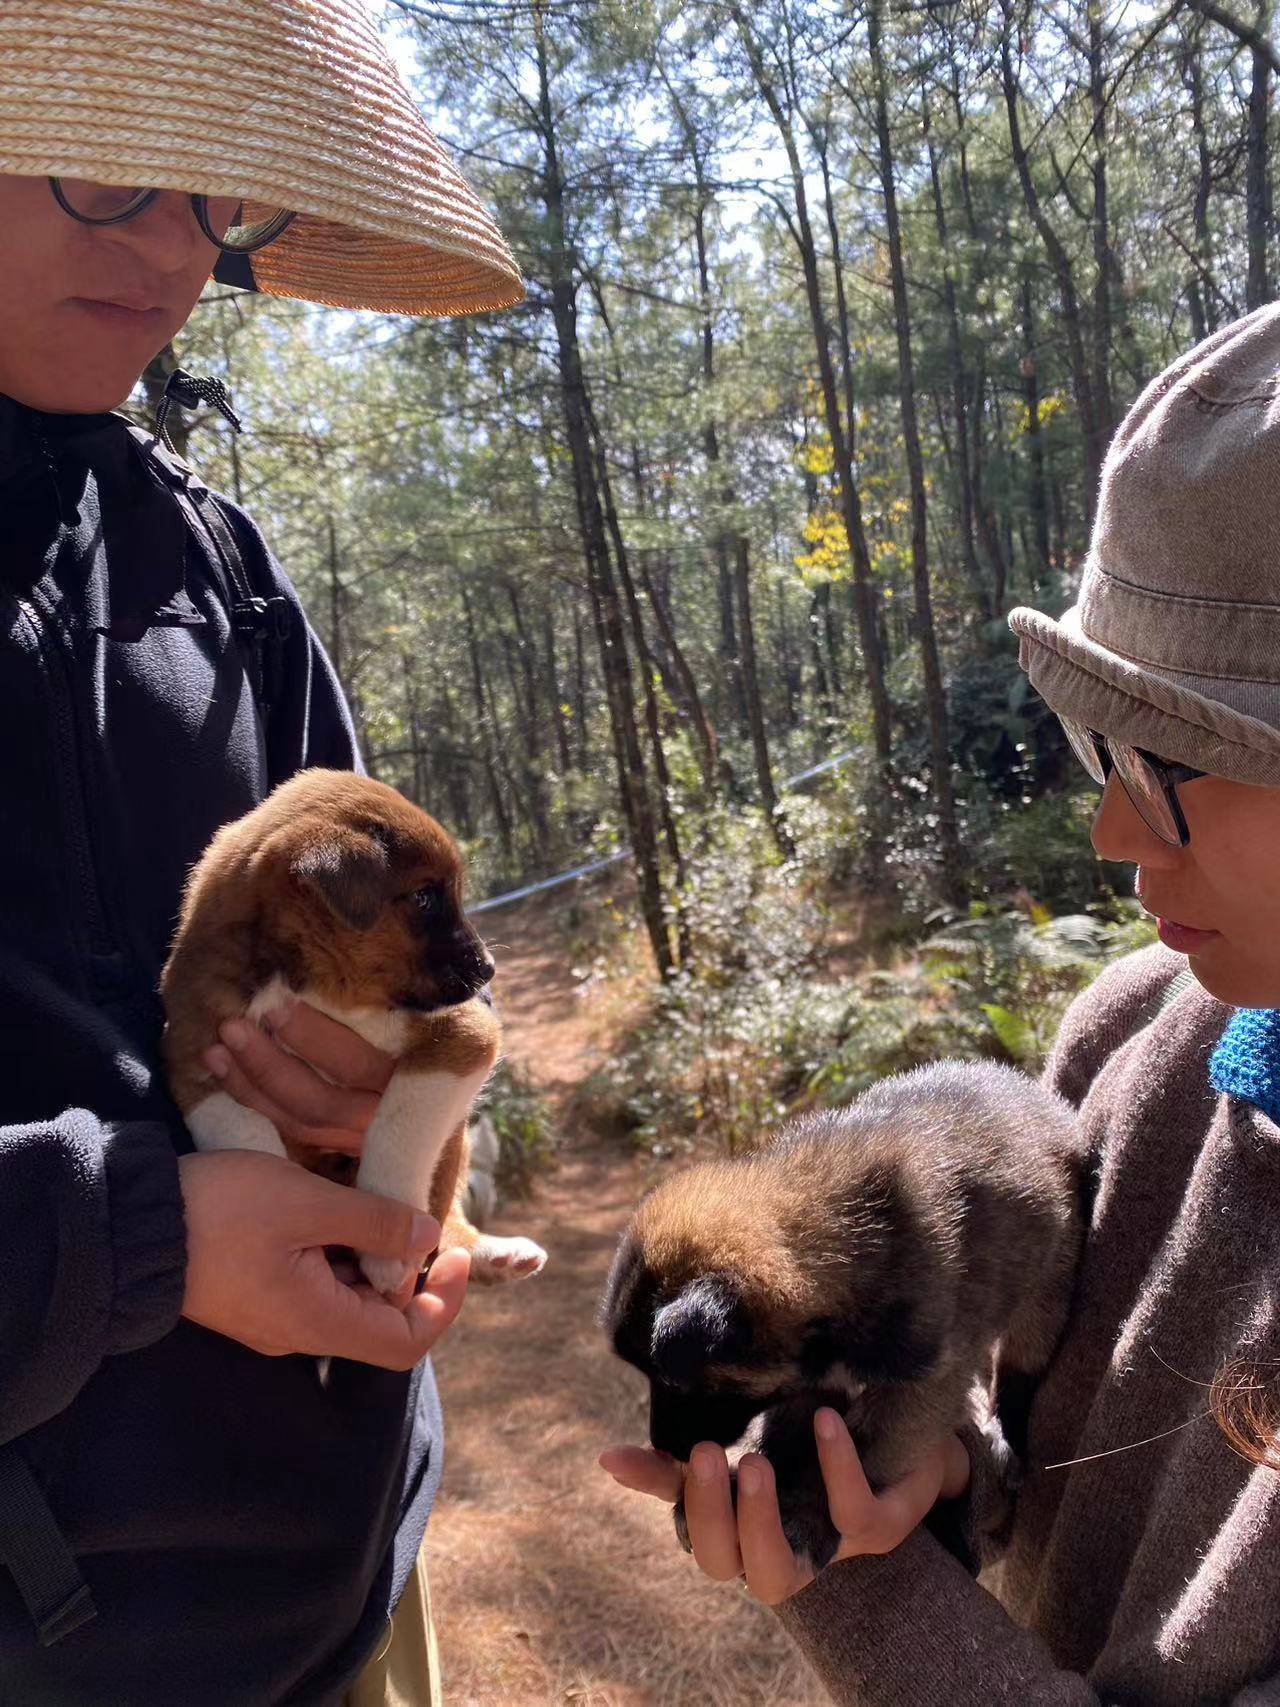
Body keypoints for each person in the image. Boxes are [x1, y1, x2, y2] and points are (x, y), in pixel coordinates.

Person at [602, 305, 1280, 1702]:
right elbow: (1026, 1443)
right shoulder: (1137, 1039)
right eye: (1099, 748)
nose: (1108, 832)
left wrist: (864, 1600)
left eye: (1163, 766)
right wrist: (924, 1476)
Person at [0, 2, 522, 1702]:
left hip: (352, 1585)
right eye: (107, 177)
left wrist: (394, 1122)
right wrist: (137, 1238)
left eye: (215, 197)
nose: (171, 252)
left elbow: (412, 995)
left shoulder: (210, 565)